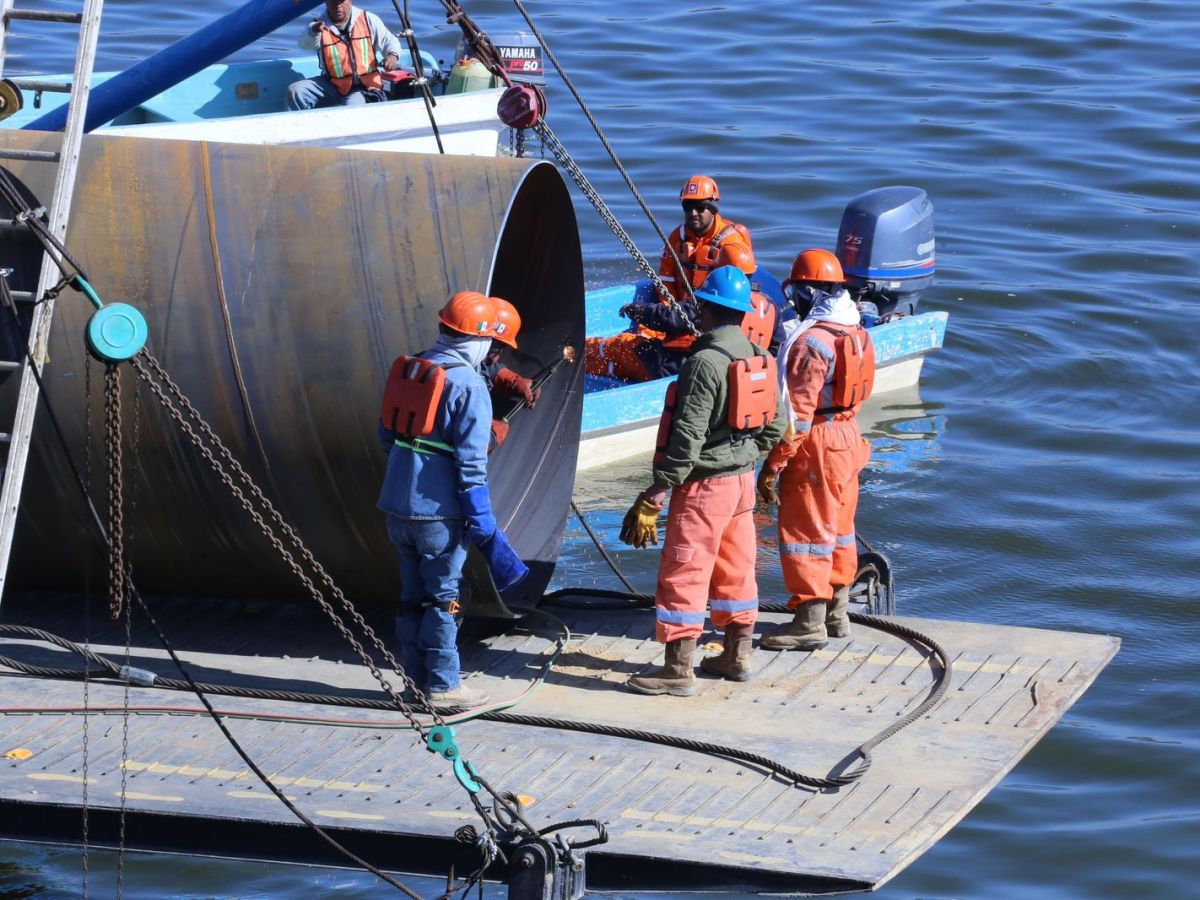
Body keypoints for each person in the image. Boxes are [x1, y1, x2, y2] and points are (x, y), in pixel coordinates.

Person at [619, 266, 787, 695]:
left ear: (707, 309)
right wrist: (750, 457)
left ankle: (677, 670)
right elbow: (777, 425)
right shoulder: (761, 358)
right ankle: (737, 656)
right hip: (742, 483)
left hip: (703, 487)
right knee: (736, 567)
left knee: (685, 570)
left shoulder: (705, 362)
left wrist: (657, 490)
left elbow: (688, 436)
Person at [376, 291, 528, 710]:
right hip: (439, 513)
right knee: (445, 599)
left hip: (396, 505)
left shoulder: (413, 369)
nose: (494, 354)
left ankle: (414, 681)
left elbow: (387, 437)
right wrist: (481, 517)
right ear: (479, 340)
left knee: (412, 597)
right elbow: (471, 464)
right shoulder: (469, 385)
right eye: (493, 345)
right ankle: (443, 685)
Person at [756, 251, 875, 651]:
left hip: (819, 442)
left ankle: (808, 621)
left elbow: (799, 415)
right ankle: (836, 612)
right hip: (849, 434)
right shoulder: (856, 330)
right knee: (840, 529)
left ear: (807, 290)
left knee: (806, 532)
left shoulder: (812, 342)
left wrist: (774, 464)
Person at [584, 175, 777, 382]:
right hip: (706, 346)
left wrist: (637, 311)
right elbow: (775, 346)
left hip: (688, 356)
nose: (693, 213)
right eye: (688, 207)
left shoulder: (711, 303)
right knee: (640, 338)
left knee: (619, 349)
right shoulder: (766, 306)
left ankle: (576, 355)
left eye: (700, 207)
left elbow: (681, 317)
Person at [287, 0, 402, 111]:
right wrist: (313, 32)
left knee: (352, 104)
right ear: (326, 2)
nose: (337, 5)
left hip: (367, 86)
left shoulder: (368, 19)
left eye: (341, 1)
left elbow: (390, 41)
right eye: (333, 1)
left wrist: (392, 56)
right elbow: (304, 44)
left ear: (350, 1)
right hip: (333, 83)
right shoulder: (318, 26)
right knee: (296, 90)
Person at [481, 297, 538, 451]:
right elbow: (473, 446)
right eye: (497, 348)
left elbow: (486, 369)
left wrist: (514, 382)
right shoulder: (464, 383)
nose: (497, 356)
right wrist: (492, 433)